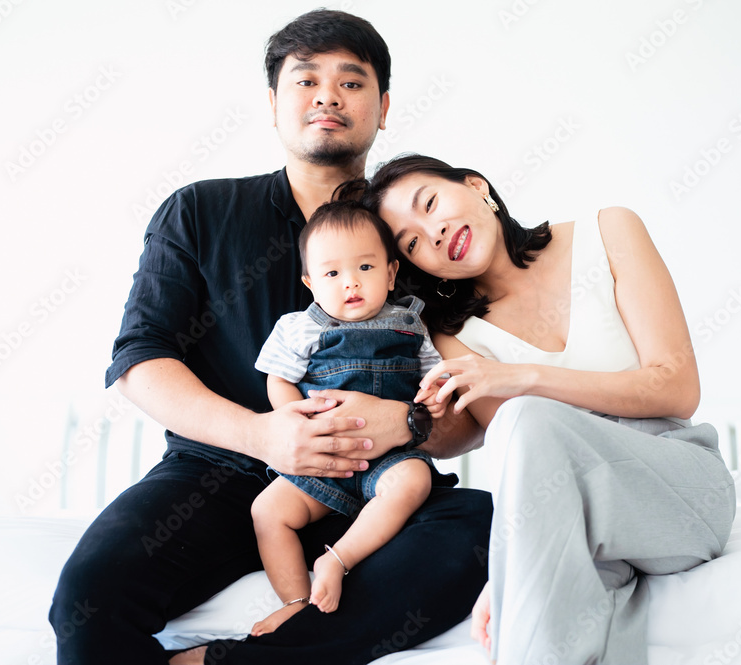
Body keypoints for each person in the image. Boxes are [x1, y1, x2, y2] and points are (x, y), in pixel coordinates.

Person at [48, 12, 491, 665]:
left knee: (477, 529)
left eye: (351, 81)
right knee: (90, 596)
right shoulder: (200, 212)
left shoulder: (417, 237)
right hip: (216, 474)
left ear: (384, 106)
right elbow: (141, 359)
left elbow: (467, 409)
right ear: (273, 105)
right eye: (305, 80)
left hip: (377, 476)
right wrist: (264, 435)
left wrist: (408, 423)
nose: (327, 96)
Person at [346, 154, 737, 664]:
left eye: (431, 203)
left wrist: (526, 376)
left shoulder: (609, 230)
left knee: (523, 416)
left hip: (682, 489)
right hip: (585, 516)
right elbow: (531, 466)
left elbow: (677, 387)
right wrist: (516, 560)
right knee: (545, 627)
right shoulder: (453, 336)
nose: (434, 234)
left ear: (476, 185)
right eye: (413, 243)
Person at [248, 199, 455, 637]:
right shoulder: (299, 327)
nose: (351, 284)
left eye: (365, 268)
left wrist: (434, 398)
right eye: (332, 273)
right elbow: (278, 380)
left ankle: (338, 559)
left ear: (391, 272)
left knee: (413, 483)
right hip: (321, 455)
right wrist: (294, 420)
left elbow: (434, 378)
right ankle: (294, 603)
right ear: (309, 282)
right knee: (267, 510)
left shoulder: (410, 325)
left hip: (390, 458)